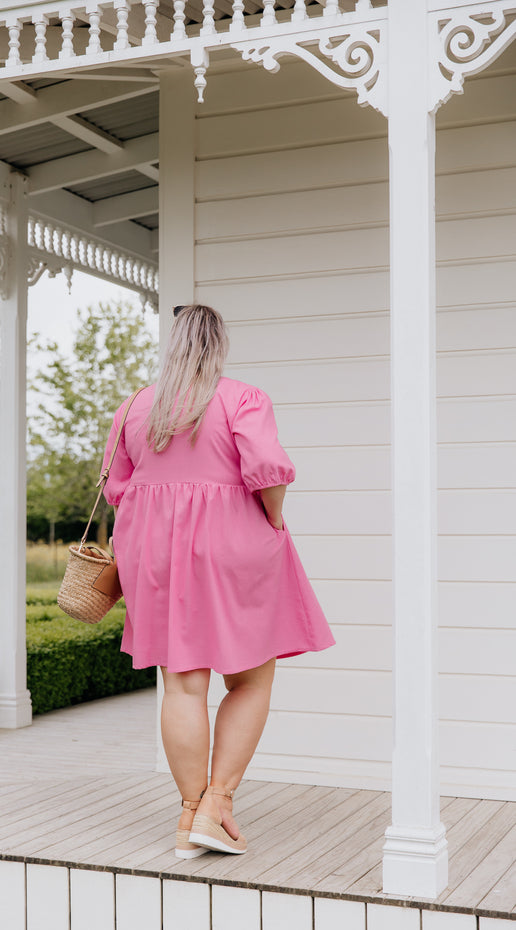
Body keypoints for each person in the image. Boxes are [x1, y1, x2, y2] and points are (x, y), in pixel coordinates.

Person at [101, 303, 335, 858]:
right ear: (217, 344)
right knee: (251, 679)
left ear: (173, 344)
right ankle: (217, 804)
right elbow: (268, 473)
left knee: (182, 683)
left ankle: (189, 818)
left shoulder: (134, 406)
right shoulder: (242, 398)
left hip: (152, 552)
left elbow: (117, 490)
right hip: (234, 545)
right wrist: (272, 522)